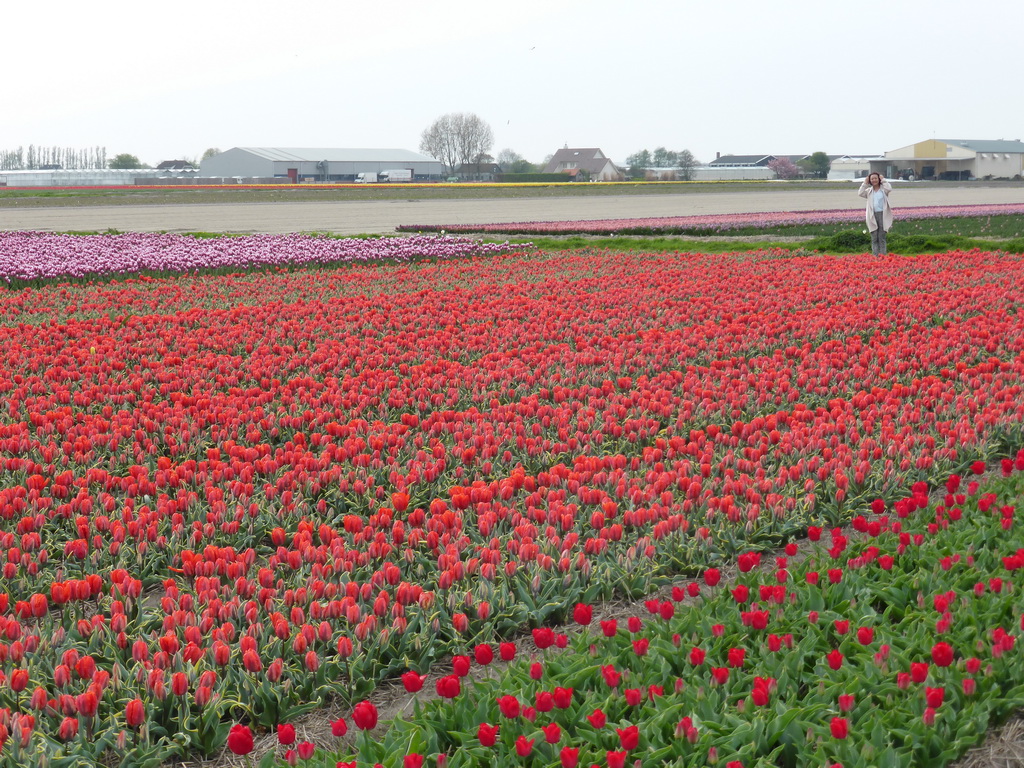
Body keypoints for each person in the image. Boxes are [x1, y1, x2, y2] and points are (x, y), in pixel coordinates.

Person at [858, 173, 893, 255]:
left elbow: (889, 188)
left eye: (876, 178)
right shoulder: (869, 191)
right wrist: (865, 183)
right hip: (872, 216)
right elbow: (860, 193)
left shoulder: (883, 190)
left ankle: (883, 256)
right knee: (874, 237)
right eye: (872, 179)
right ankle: (875, 256)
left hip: (883, 215)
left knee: (882, 237)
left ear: (879, 179)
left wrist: (883, 180)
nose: (874, 180)